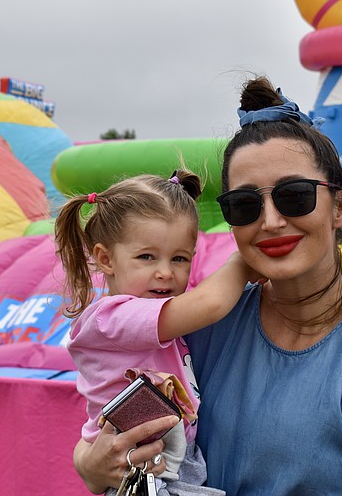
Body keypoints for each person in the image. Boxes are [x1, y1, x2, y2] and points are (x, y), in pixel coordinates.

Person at [72, 77, 342, 495]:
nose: (271, 220)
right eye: (244, 205)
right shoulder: (199, 327)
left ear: (341, 207)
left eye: (294, 196)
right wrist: (90, 465)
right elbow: (105, 422)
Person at [56, 169, 259, 495]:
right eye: (146, 257)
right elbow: (209, 304)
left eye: (179, 258)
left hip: (169, 458)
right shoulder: (112, 318)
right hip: (142, 466)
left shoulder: (151, 317)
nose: (165, 272)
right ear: (106, 259)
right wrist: (245, 262)